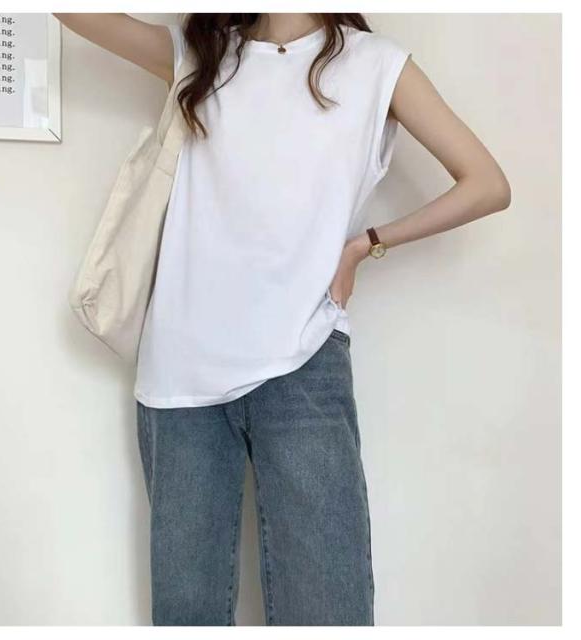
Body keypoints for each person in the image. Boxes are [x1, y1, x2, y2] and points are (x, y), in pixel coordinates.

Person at [53, 12, 511, 626]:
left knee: (328, 612)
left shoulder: (377, 64)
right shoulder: (202, 55)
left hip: (305, 364)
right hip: (180, 376)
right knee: (187, 618)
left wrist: (366, 244)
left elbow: (487, 184)